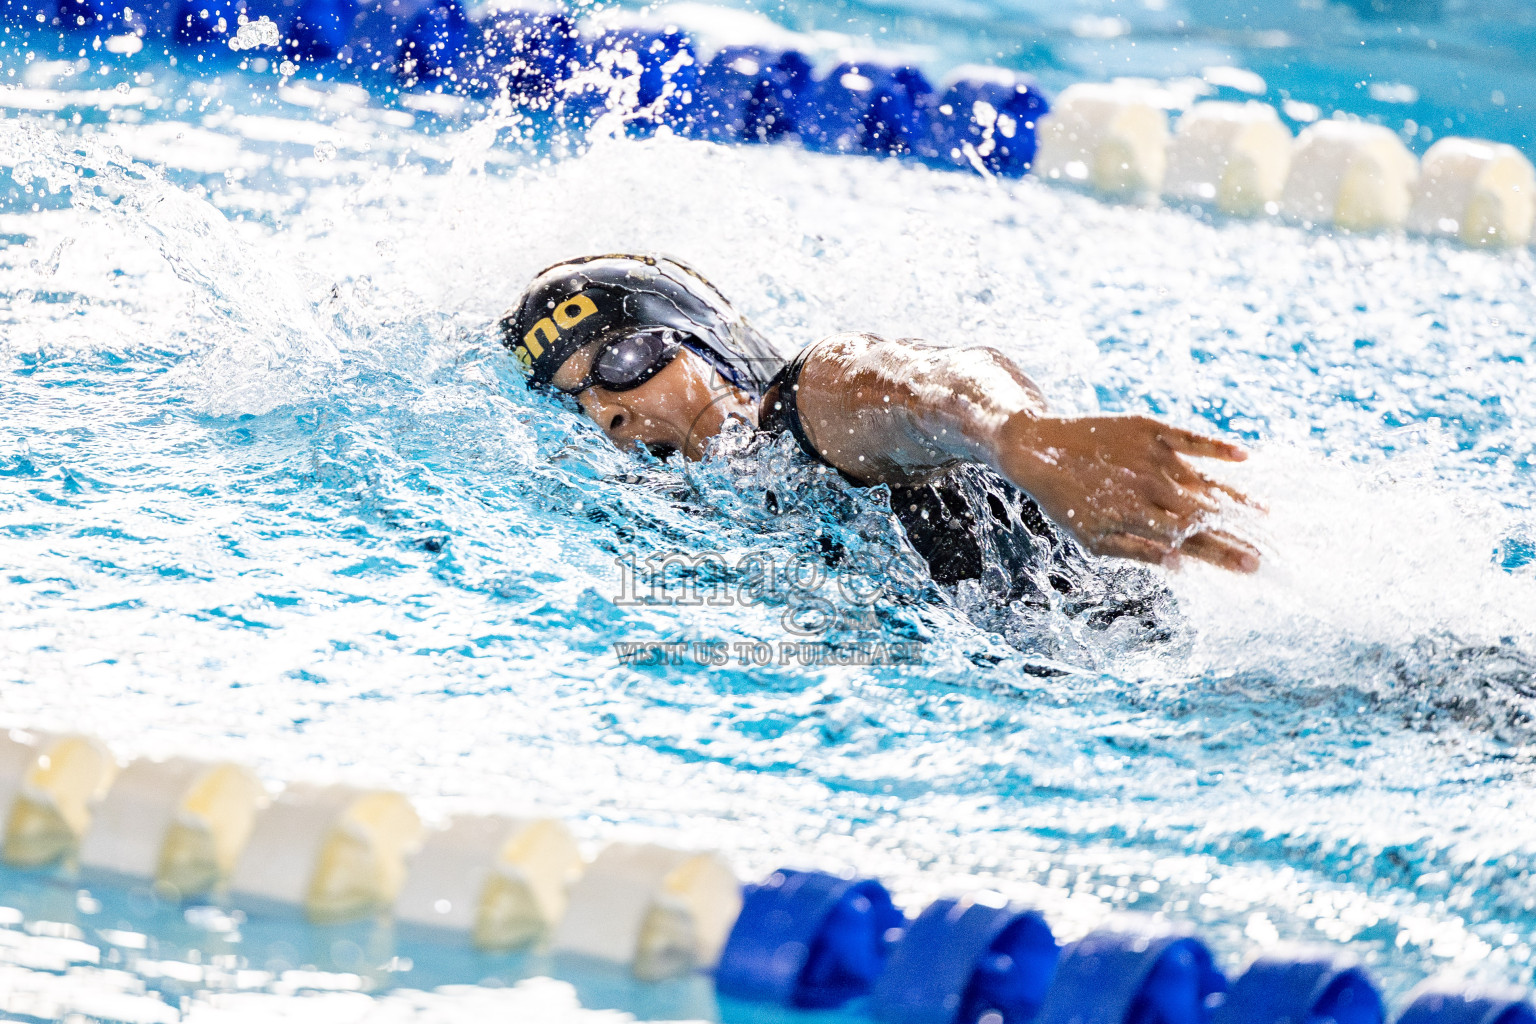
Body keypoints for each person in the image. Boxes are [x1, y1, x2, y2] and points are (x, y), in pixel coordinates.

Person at [501, 252, 1259, 623]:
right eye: (581, 401)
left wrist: (1025, 436)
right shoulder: (685, 516)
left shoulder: (797, 415)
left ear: (713, 340)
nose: (609, 413)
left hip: (1133, 635)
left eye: (626, 358)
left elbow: (905, 382)